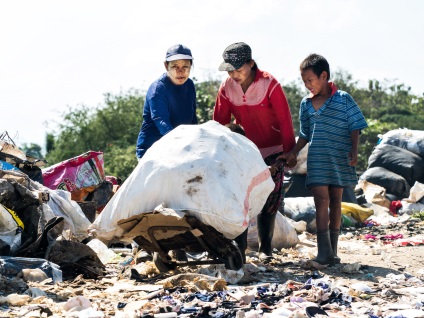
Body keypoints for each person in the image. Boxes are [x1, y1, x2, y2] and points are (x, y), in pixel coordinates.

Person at [213, 42, 297, 261]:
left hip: (274, 149)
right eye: (230, 70)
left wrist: (289, 153)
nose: (234, 74)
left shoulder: (270, 85)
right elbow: (219, 123)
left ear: (251, 64)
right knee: (242, 196)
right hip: (245, 150)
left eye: (238, 69)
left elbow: (285, 121)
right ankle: (238, 249)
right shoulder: (226, 87)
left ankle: (265, 248)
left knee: (270, 195)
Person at [282, 54, 368, 265]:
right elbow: (304, 133)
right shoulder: (306, 104)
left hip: (339, 157)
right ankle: (323, 252)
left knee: (336, 201)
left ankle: (333, 251)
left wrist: (355, 151)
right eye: (304, 82)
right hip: (318, 158)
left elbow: (355, 125)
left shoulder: (343, 98)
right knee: (321, 201)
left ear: (324, 76)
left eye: (310, 80)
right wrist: (293, 152)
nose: (307, 86)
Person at [136, 44, 197, 159]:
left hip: (180, 148)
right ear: (166, 66)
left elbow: (193, 118)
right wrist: (180, 144)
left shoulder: (189, 85)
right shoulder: (157, 89)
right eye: (175, 66)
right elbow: (161, 121)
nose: (180, 71)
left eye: (185, 67)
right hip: (152, 150)